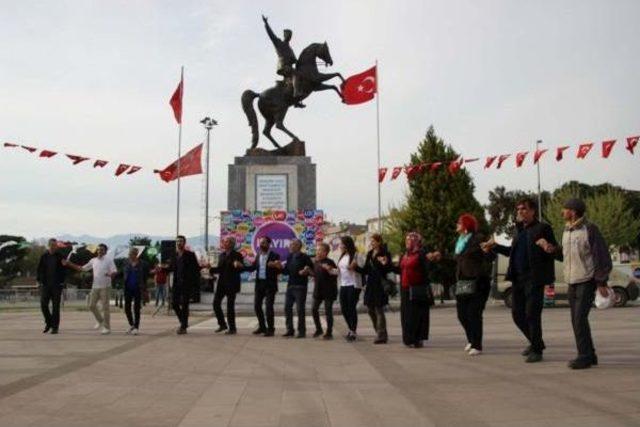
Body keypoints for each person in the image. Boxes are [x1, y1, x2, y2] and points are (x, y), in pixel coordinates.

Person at [536, 198, 612, 369]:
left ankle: (584, 356)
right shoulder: (566, 231)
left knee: (579, 319)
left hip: (586, 280)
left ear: (574, 211)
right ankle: (590, 354)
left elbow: (602, 256)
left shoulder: (590, 229)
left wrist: (601, 282)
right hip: (571, 281)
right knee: (577, 320)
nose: (562, 212)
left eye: (565, 209)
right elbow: (564, 256)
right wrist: (550, 249)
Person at [482, 197, 558, 363]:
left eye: (523, 208)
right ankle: (536, 342)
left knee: (532, 314)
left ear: (532, 211)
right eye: (518, 209)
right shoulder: (519, 230)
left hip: (535, 278)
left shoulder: (543, 228)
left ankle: (537, 350)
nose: (520, 212)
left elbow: (555, 252)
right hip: (518, 278)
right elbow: (511, 251)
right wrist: (494, 246)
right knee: (517, 314)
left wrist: (547, 247)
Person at [451, 214, 493, 356]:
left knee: (474, 313)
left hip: (478, 280)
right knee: (462, 314)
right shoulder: (460, 241)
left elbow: (489, 256)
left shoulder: (478, 238)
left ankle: (477, 344)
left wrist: (488, 250)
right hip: (463, 281)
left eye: (459, 223)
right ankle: (471, 339)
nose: (456, 225)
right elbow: (457, 260)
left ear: (466, 225)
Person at [65, 243, 117, 335]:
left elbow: (114, 271)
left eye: (101, 250)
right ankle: (100, 320)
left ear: (105, 251)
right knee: (91, 306)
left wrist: (110, 275)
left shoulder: (109, 260)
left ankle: (107, 327)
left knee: (105, 308)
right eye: (98, 249)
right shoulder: (93, 260)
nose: (99, 251)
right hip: (95, 286)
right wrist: (69, 264)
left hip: (105, 286)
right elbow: (82, 268)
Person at [261, 14, 305, 108]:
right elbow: (271, 35)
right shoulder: (279, 43)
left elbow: (294, 60)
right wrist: (266, 24)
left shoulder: (290, 48)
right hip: (284, 67)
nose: (289, 36)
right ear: (285, 35)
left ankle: (296, 101)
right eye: (288, 35)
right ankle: (296, 93)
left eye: (290, 35)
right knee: (296, 74)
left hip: (289, 67)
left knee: (300, 74)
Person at [244, 236, 282, 336]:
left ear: (269, 244)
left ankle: (271, 329)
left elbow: (279, 269)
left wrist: (275, 265)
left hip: (270, 285)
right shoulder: (258, 255)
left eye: (264, 243)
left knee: (269, 307)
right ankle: (262, 327)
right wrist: (241, 266)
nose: (261, 245)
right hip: (259, 284)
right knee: (257, 306)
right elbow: (252, 268)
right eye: (260, 243)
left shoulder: (275, 255)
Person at [360, 234, 392, 344]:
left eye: (373, 241)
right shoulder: (369, 254)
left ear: (379, 242)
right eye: (371, 241)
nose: (372, 243)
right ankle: (380, 332)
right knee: (370, 309)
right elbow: (365, 270)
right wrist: (355, 268)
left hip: (380, 284)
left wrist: (384, 263)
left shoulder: (385, 253)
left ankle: (381, 335)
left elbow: (387, 269)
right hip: (371, 284)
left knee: (379, 309)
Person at [165, 236, 200, 334]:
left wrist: (194, 284)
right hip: (176, 283)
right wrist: (162, 269)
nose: (179, 243)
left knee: (185, 305)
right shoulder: (174, 255)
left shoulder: (190, 255)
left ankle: (183, 327)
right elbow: (170, 268)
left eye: (181, 241)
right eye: (177, 241)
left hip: (186, 283)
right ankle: (183, 321)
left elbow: (196, 270)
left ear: (184, 243)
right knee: (174, 304)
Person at [210, 237, 245, 335]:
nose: (225, 243)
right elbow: (219, 269)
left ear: (232, 244)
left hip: (232, 284)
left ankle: (232, 328)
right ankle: (222, 324)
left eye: (227, 242)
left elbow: (242, 268)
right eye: (224, 242)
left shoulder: (237, 255)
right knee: (216, 304)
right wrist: (210, 269)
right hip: (221, 284)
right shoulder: (221, 255)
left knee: (230, 307)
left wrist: (239, 265)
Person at [282, 239, 314, 338]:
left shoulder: (305, 257)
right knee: (287, 308)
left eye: (292, 245)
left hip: (301, 286)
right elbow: (286, 272)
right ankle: (290, 330)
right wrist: (279, 267)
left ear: (298, 246)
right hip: (290, 286)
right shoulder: (290, 257)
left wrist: (306, 271)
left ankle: (301, 331)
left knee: (300, 309)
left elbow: (312, 271)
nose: (290, 246)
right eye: (290, 244)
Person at [36, 238, 67, 334]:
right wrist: (39, 281)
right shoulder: (44, 256)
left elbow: (64, 270)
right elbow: (39, 269)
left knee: (55, 307)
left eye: (55, 245)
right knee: (43, 305)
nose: (54, 247)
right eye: (52, 245)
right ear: (49, 245)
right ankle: (49, 322)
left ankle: (55, 327)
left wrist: (65, 266)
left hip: (57, 285)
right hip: (46, 284)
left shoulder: (60, 256)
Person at [337, 236, 363, 342]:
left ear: (347, 244)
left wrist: (354, 267)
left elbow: (363, 269)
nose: (340, 246)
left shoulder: (357, 255)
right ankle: (350, 328)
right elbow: (339, 271)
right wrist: (330, 270)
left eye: (342, 244)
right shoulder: (342, 256)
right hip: (343, 285)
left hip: (353, 285)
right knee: (344, 308)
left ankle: (353, 331)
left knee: (351, 308)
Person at [311, 242, 338, 339]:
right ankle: (319, 329)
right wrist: (307, 271)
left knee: (328, 311)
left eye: (321, 250)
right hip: (318, 289)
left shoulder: (330, 262)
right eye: (317, 250)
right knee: (314, 309)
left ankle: (329, 332)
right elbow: (315, 274)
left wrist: (329, 269)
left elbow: (336, 273)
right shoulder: (316, 262)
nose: (318, 252)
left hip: (329, 290)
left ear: (326, 252)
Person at [121, 247, 148, 335]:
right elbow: (122, 273)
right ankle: (132, 324)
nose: (130, 255)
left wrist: (155, 271)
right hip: (128, 288)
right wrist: (113, 275)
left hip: (138, 288)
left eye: (132, 254)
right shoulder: (126, 263)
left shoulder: (143, 264)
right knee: (127, 308)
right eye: (129, 254)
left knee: (136, 308)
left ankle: (136, 327)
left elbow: (146, 275)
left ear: (136, 254)